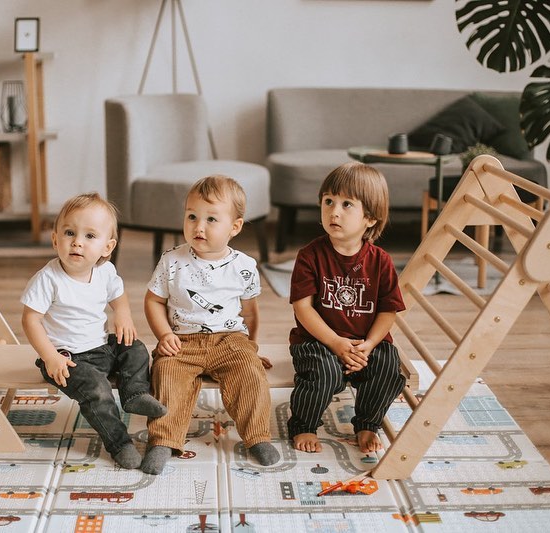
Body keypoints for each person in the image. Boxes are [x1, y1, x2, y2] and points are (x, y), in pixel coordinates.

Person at [142, 175, 281, 474]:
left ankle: (257, 436)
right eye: (191, 216)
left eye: (211, 219)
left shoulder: (244, 266)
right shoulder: (172, 260)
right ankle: (163, 440)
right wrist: (164, 334)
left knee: (251, 376)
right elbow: (153, 301)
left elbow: (251, 313)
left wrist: (252, 349)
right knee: (166, 376)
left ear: (235, 227)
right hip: (183, 340)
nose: (198, 226)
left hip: (229, 339)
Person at [21, 193, 167, 469]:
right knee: (97, 390)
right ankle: (119, 443)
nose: (77, 241)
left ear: (107, 247)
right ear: (55, 240)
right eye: (69, 233)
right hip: (67, 358)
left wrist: (122, 314)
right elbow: (30, 320)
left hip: (100, 346)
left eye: (90, 236)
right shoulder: (48, 279)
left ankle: (134, 394)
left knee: (134, 347)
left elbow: (118, 295)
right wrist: (50, 356)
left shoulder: (105, 271)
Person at [287, 162, 406, 454]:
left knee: (389, 366)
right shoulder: (309, 256)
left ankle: (367, 423)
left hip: (364, 344)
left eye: (346, 204)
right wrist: (336, 343)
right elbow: (303, 309)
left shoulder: (381, 261)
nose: (333, 211)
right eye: (328, 201)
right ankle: (303, 424)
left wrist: (368, 345)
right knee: (324, 373)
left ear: (370, 218)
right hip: (318, 342)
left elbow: (387, 311)